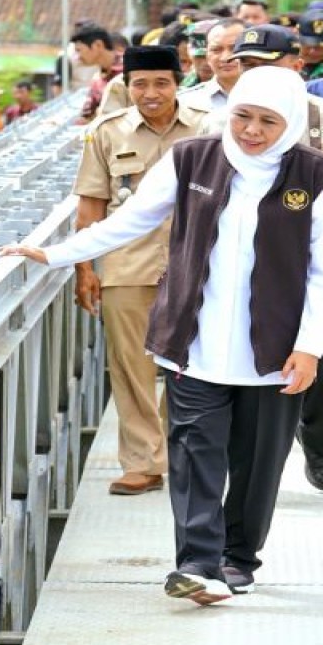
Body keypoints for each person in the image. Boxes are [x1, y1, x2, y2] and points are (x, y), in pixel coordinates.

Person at [0, 66, 323, 603]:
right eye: (243, 116)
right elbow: (131, 219)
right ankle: (197, 563)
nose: (251, 130)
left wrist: (308, 347)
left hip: (274, 351)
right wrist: (56, 254)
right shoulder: (191, 159)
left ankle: (238, 559)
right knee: (193, 454)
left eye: (267, 121)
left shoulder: (320, 178)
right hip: (194, 342)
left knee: (257, 464)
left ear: (291, 123)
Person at [202, 24, 323, 491]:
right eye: (245, 64)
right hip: (243, 266)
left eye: (265, 64)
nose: (252, 73)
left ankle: (317, 438)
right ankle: (248, 469)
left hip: (310, 262)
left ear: (296, 65)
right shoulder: (218, 124)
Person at [69, 46, 208, 496]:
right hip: (127, 265)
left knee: (191, 367)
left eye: (161, 83)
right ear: (126, 86)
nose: (151, 93)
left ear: (178, 83)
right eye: (140, 84)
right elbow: (91, 207)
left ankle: (178, 451)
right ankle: (143, 462)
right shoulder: (107, 133)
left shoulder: (208, 128)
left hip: (198, 266)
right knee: (131, 368)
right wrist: (84, 269)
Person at [180, 18, 244, 114]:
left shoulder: (267, 94)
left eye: (234, 48)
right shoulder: (184, 102)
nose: (225, 58)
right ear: (207, 55)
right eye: (216, 49)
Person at [72, 26, 123, 122]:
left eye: (79, 50)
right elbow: (87, 114)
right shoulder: (97, 79)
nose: (77, 57)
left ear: (98, 45)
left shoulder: (129, 70)